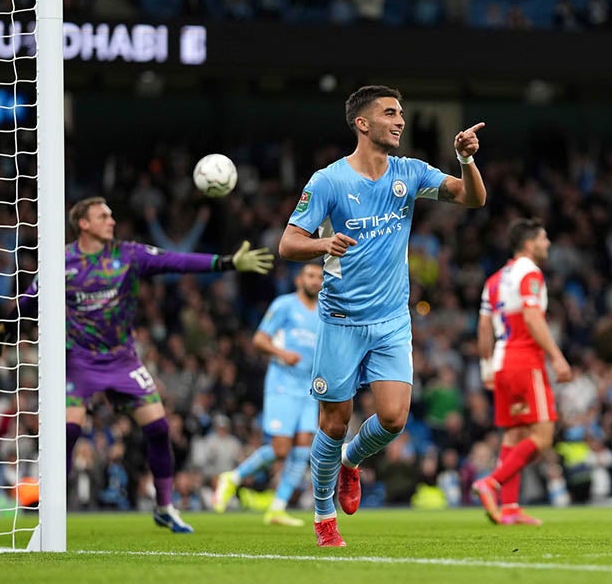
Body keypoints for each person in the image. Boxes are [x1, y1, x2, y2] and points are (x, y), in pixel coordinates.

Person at [277, 85, 487, 547]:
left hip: (392, 319)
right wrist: (321, 244)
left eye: (402, 113)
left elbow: (472, 199)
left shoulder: (409, 172)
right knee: (333, 422)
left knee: (393, 419)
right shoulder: (328, 181)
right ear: (363, 123)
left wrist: (465, 161)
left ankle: (351, 462)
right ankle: (322, 515)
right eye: (390, 113)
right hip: (340, 320)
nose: (401, 121)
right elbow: (287, 243)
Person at [0, 196, 273, 533]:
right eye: (103, 216)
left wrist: (226, 263)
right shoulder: (61, 262)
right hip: (79, 361)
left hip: (123, 361)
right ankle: (51, 512)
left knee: (159, 428)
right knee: (68, 431)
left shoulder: (128, 255)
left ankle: (165, 506)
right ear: (84, 223)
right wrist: (6, 328)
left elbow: (175, 261)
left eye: (111, 214)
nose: (111, 220)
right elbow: (30, 300)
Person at [472, 217, 572, 525]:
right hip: (525, 360)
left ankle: (510, 508)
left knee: (514, 434)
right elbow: (531, 317)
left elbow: (484, 325)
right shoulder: (530, 272)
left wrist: (486, 366)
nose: (548, 244)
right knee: (543, 436)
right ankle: (492, 482)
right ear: (529, 244)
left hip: (502, 362)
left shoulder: (494, 279)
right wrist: (556, 357)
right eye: (543, 239)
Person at [213, 263, 323, 527]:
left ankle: (277, 507)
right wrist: (282, 354)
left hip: (309, 389)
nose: (315, 281)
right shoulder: (284, 305)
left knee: (302, 448)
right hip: (282, 385)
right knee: (280, 449)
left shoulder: (324, 312)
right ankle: (233, 478)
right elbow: (259, 339)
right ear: (299, 280)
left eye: (320, 277)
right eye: (310, 275)